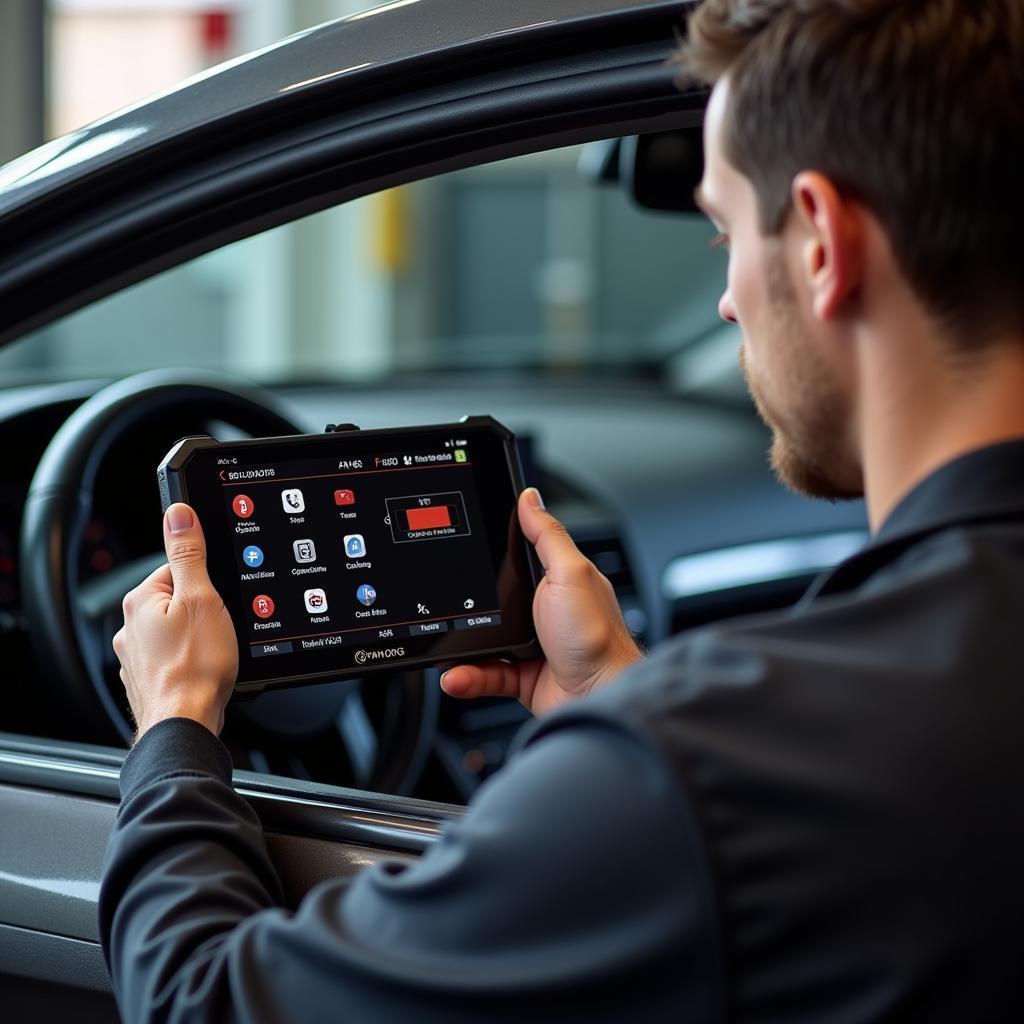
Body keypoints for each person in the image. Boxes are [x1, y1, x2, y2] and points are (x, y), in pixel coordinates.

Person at [101, 0, 1024, 1019]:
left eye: (721, 232)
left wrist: (177, 724)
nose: (725, 300)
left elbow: (202, 1001)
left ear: (817, 240)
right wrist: (619, 702)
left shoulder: (706, 771)